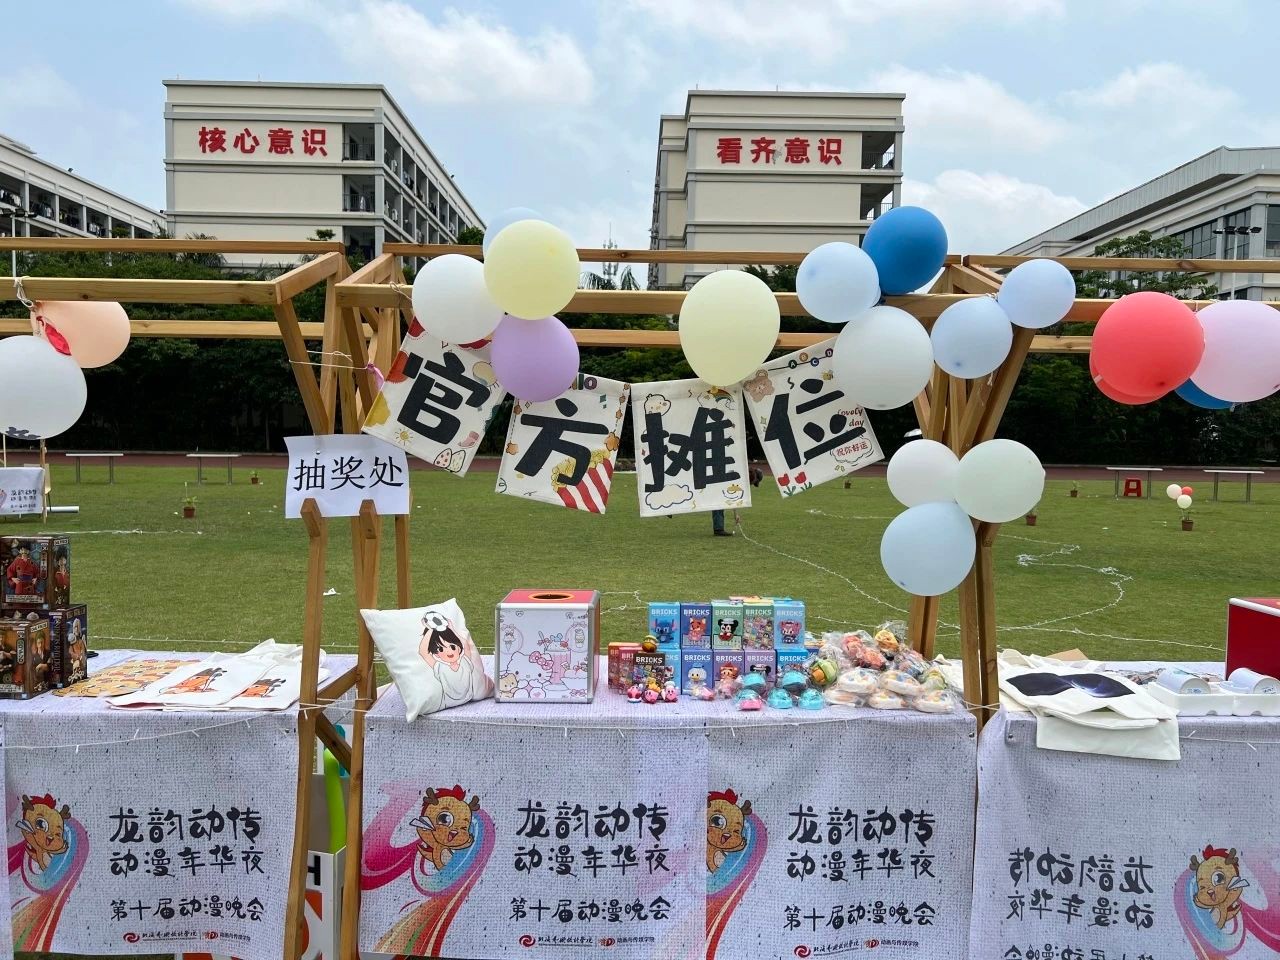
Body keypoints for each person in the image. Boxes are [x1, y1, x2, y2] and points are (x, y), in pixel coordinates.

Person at [711, 466, 765, 537]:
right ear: (755, 477)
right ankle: (718, 529)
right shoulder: (745, 476)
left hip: (720, 480)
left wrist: (735, 514)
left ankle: (718, 528)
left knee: (719, 502)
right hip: (719, 481)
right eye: (754, 482)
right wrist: (736, 514)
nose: (751, 484)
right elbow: (732, 495)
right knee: (719, 503)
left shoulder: (744, 472)